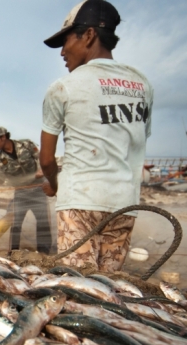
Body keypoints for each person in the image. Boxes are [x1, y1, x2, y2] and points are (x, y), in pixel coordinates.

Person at [39, 0, 154, 273]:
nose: (62, 52)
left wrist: (54, 184)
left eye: (66, 41)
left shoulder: (63, 87)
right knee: (108, 285)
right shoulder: (142, 84)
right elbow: (135, 142)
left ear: (88, 35)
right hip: (124, 204)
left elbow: (46, 160)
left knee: (80, 287)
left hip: (79, 201)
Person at [0, 126, 52, 254]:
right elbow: (3, 180)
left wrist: (41, 171)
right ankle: (14, 251)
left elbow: (40, 158)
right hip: (21, 192)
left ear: (3, 137)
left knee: (42, 221)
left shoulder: (26, 144)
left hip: (38, 189)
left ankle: (44, 252)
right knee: (16, 223)